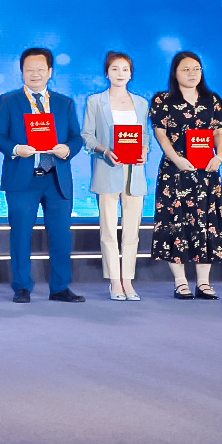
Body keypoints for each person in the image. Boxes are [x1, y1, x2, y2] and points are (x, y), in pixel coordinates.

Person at [0, 47, 81, 303]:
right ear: (21, 71)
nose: (35, 74)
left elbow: (76, 137)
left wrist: (67, 149)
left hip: (57, 179)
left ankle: (60, 287)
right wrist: (16, 149)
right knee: (21, 234)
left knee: (61, 235)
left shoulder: (64, 103)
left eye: (40, 69)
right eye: (29, 69)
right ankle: (22, 286)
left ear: (50, 72)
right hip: (23, 178)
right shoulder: (9, 101)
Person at [150, 52, 222, 298]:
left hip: (206, 173)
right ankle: (181, 282)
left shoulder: (212, 100)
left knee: (207, 224)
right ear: (175, 73)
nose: (192, 73)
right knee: (175, 224)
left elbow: (218, 132)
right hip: (175, 172)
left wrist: (219, 156)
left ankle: (204, 282)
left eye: (196, 68)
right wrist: (177, 159)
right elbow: (161, 134)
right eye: (186, 69)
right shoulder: (163, 100)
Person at [80, 52, 152, 302]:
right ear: (106, 73)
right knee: (109, 230)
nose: (120, 74)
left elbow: (144, 135)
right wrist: (104, 151)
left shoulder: (141, 103)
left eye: (125, 69)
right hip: (107, 168)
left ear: (131, 74)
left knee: (132, 232)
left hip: (134, 173)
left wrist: (144, 151)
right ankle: (114, 281)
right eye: (115, 69)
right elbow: (87, 136)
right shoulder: (95, 101)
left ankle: (128, 280)